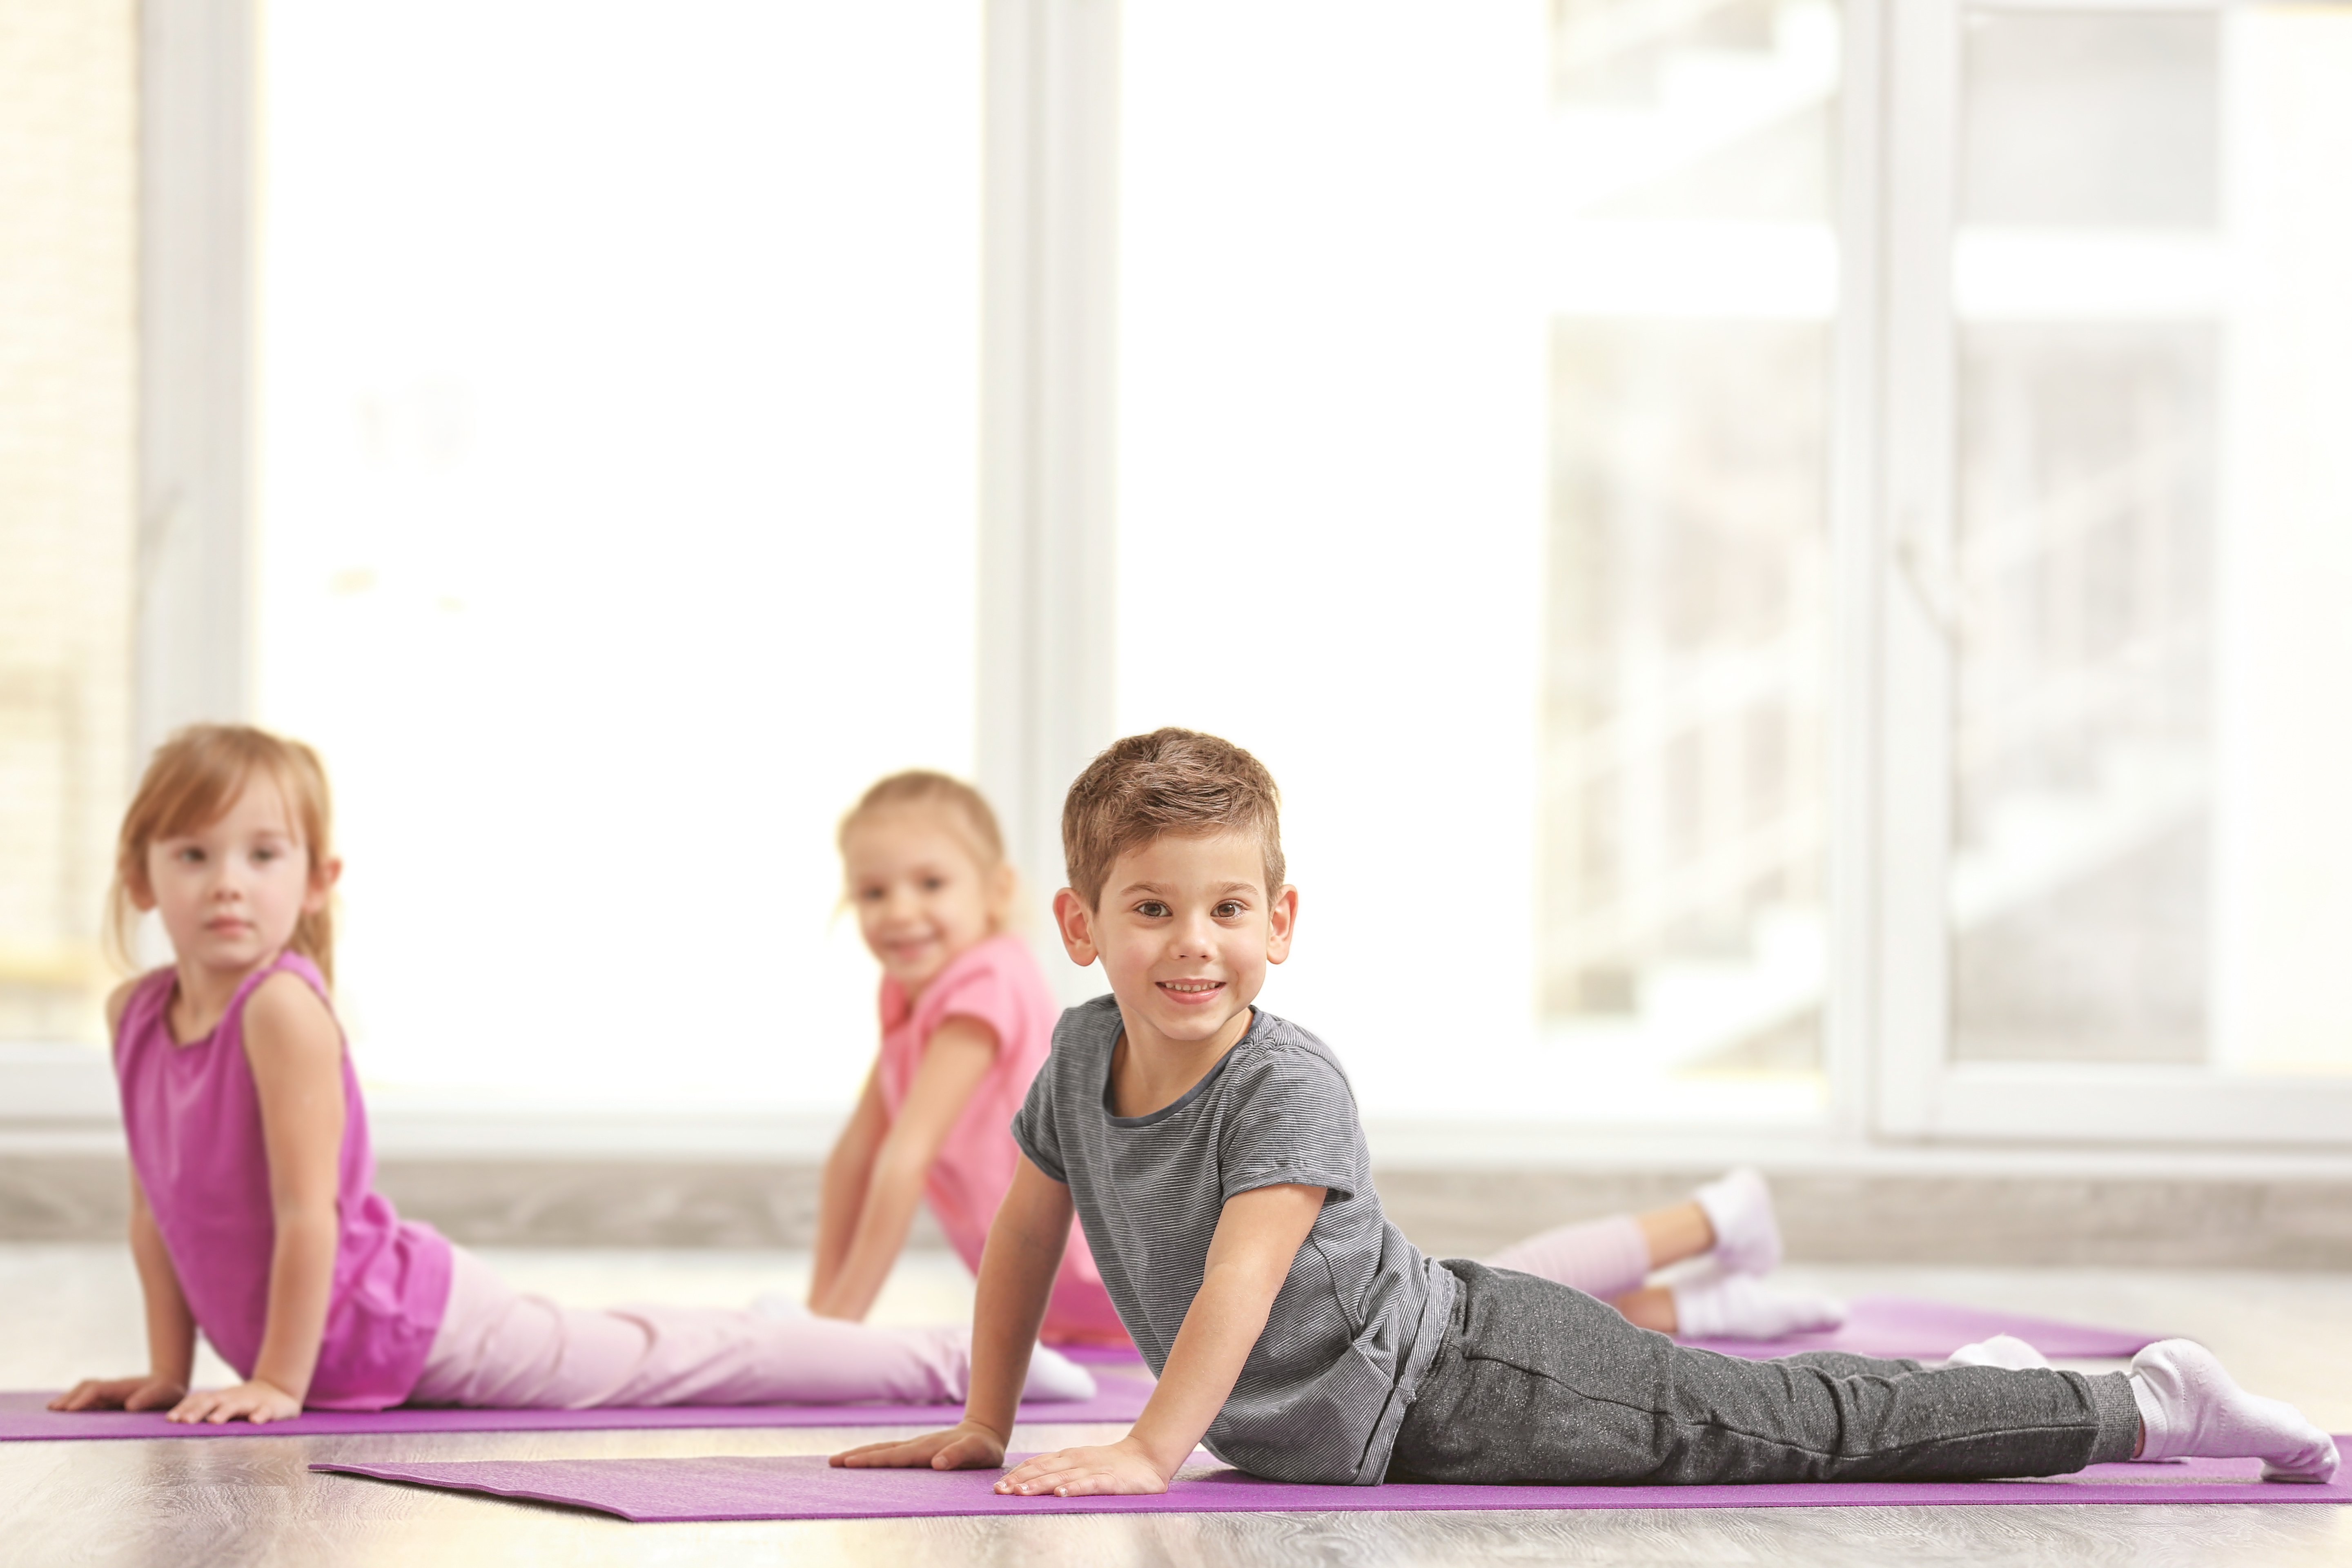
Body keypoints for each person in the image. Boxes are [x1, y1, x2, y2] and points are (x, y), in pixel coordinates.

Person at [836, 728, 2340, 1493]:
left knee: (1797, 1434)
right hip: (1397, 1410)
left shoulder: (1285, 1085)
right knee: (1818, 1415)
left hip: (1481, 1383)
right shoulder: (1078, 1058)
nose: (1193, 944)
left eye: (1228, 907)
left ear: (1283, 920)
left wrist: (1150, 1455)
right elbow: (1030, 1227)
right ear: (1081, 925)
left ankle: (2139, 1401)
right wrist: (982, 1419)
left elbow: (1236, 1285)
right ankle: (1985, 1381)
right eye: (1152, 908)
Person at [50, 726, 1093, 1423]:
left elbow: (305, 1214)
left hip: (405, 1326)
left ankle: (953, 1363)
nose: (228, 884)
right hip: (350, 1342)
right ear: (139, 873)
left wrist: (276, 1379)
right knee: (658, 1345)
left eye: (262, 855)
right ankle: (818, 1331)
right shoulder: (135, 1015)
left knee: (670, 1365)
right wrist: (168, 1374)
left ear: (317, 881)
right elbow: (161, 1217)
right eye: (193, 855)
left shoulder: (279, 1007)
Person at [799, 773, 1126, 1345]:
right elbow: (855, 1154)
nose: (900, 911)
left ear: (996, 891)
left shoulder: (986, 982)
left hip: (1104, 1268)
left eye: (931, 883)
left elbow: (906, 1156)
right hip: (1050, 1288)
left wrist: (839, 1326)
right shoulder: (910, 992)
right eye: (873, 893)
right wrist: (819, 1309)